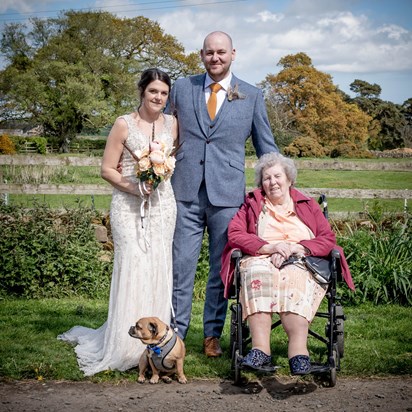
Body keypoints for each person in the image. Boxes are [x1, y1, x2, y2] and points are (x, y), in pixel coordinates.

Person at [58, 68, 178, 376]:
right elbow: (106, 169)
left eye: (164, 93)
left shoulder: (172, 124)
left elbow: (168, 163)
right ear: (142, 91)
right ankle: (125, 346)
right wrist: (134, 187)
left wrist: (159, 174)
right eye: (153, 91)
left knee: (157, 267)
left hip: (162, 206)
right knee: (133, 265)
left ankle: (157, 345)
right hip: (128, 204)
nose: (159, 98)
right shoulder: (123, 124)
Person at [166, 31, 278, 357]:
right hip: (184, 193)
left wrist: (279, 188)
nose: (215, 58)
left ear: (233, 53)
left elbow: (266, 147)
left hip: (228, 197)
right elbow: (163, 133)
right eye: (209, 53)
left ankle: (212, 335)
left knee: (221, 269)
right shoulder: (182, 88)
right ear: (201, 54)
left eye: (221, 52)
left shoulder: (252, 96)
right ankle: (176, 335)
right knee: (181, 266)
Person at [220, 152, 355, 374]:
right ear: (261, 183)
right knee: (257, 274)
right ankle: (260, 350)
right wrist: (270, 247)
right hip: (261, 257)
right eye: (266, 178)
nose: (272, 182)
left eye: (277, 176)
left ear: (289, 179)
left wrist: (296, 247)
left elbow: (327, 238)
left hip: (301, 259)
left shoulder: (307, 204)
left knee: (294, 277)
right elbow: (235, 234)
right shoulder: (253, 204)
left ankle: (298, 354)